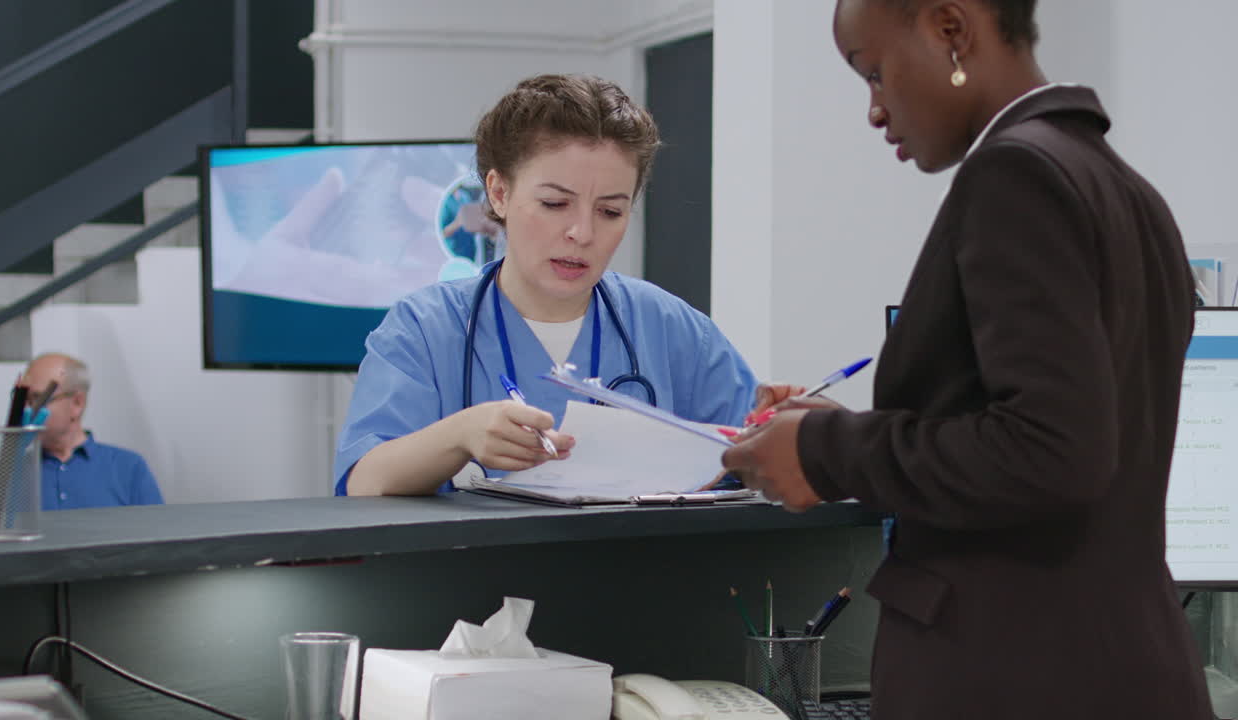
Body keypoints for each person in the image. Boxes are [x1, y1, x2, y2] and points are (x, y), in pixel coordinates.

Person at [721, 1, 1212, 718]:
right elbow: (1052, 424)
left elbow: (1052, 450)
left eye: (876, 74)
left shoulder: (1014, 175)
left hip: (1017, 670)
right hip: (1128, 661)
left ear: (951, 29)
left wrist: (826, 450)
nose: (874, 110)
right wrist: (839, 433)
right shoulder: (1128, 191)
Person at [336, 73, 758, 496]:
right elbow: (364, 484)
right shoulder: (424, 329)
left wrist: (786, 431)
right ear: (499, 193)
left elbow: (756, 464)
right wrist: (459, 435)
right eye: (555, 204)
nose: (582, 232)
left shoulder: (671, 329)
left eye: (610, 211)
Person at [21, 353, 164, 510]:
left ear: (77, 403)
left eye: (38, 399)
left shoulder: (128, 468)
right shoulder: (13, 472)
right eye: (23, 399)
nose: (27, 409)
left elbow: (159, 532)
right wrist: (10, 456)